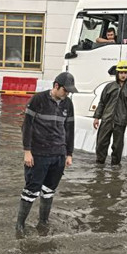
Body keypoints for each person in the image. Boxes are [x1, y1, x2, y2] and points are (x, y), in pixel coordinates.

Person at [17, 71, 76, 235]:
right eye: (66, 90)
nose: (67, 94)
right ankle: (20, 226)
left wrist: (69, 154)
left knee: (49, 190)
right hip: (38, 154)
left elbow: (69, 129)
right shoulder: (38, 100)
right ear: (56, 86)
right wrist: (27, 152)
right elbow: (27, 126)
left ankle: (43, 222)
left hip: (58, 155)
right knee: (31, 190)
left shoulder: (68, 104)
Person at [93, 60, 127, 165]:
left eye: (125, 73)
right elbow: (102, 103)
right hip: (106, 120)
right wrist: (97, 117)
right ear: (117, 73)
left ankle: (115, 168)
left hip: (120, 122)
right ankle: (99, 165)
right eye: (121, 73)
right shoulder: (109, 87)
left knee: (117, 147)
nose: (123, 75)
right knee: (101, 144)